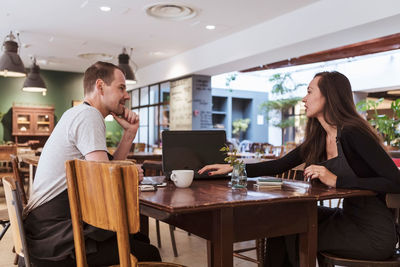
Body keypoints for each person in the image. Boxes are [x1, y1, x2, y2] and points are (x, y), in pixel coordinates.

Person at [199, 71, 400, 266]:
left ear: (329, 96)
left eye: (310, 91)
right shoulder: (319, 138)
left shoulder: (353, 133)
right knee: (285, 220)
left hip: (372, 232)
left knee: (292, 231)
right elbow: (278, 165)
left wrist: (336, 180)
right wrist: (232, 168)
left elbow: (395, 181)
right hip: (348, 218)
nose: (304, 99)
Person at [24, 61, 161, 267]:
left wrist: (129, 134)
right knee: (148, 253)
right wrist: (129, 173)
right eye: (121, 87)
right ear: (100, 86)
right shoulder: (89, 116)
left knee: (138, 241)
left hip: (45, 229)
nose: (127, 95)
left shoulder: (78, 113)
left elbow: (108, 168)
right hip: (56, 237)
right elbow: (105, 184)